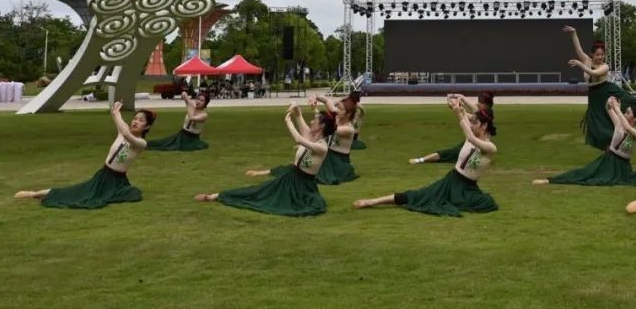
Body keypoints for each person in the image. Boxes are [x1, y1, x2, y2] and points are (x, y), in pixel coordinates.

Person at [354, 97, 498, 216]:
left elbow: (471, 137)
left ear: (484, 126)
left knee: (488, 203)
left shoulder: (490, 148)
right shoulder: (472, 134)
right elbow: (466, 121)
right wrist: (456, 106)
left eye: (475, 123)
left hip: (468, 189)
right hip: (451, 181)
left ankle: (372, 202)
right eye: (472, 123)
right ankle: (371, 201)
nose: (471, 125)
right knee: (418, 195)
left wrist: (459, 113)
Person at [194, 104, 333, 216]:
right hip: (290, 178)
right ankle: (215, 196)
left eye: (315, 120)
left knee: (268, 198)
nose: (311, 121)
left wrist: (288, 122)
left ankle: (216, 196)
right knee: (258, 191)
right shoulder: (311, 136)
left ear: (321, 126)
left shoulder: (322, 147)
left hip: (304, 187)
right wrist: (295, 106)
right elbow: (299, 115)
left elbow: (298, 139)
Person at [15, 102, 156, 208]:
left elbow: (126, 134)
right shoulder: (123, 131)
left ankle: (36, 194)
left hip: (117, 181)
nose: (136, 122)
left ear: (147, 127)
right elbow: (117, 119)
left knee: (128, 194)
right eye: (135, 118)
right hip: (103, 175)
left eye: (141, 120)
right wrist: (116, 109)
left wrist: (117, 115)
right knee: (76, 192)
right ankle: (34, 194)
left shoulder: (141, 143)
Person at [562, 26, 636, 150]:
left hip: (606, 90)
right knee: (596, 122)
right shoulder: (586, 60)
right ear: (592, 54)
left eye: (602, 54)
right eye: (597, 54)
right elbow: (578, 48)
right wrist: (574, 33)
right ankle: (608, 146)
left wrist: (580, 64)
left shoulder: (605, 66)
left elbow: (593, 73)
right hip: (594, 96)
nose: (600, 57)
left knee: (628, 99)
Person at [533, 96, 636, 186]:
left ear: (635, 118)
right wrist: (610, 102)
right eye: (625, 112)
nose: (624, 114)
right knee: (583, 173)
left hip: (622, 167)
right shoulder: (618, 124)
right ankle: (549, 180)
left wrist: (617, 108)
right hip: (608, 161)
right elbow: (608, 109)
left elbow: (627, 128)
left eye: (628, 113)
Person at [409, 91, 495, 164]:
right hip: (471, 143)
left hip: (473, 144)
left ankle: (420, 160)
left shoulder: (485, 116)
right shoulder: (484, 114)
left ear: (487, 105)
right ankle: (421, 159)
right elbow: (469, 113)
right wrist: (456, 107)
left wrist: (456, 104)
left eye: (481, 103)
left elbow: (471, 112)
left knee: (448, 153)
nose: (478, 104)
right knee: (450, 153)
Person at [146, 92, 210, 151]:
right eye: (198, 99)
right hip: (182, 134)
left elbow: (192, 118)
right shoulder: (191, 106)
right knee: (163, 143)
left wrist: (189, 106)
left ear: (205, 103)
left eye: (202, 101)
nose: (199, 101)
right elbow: (184, 94)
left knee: (189, 147)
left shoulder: (204, 115)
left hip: (193, 138)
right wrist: (186, 96)